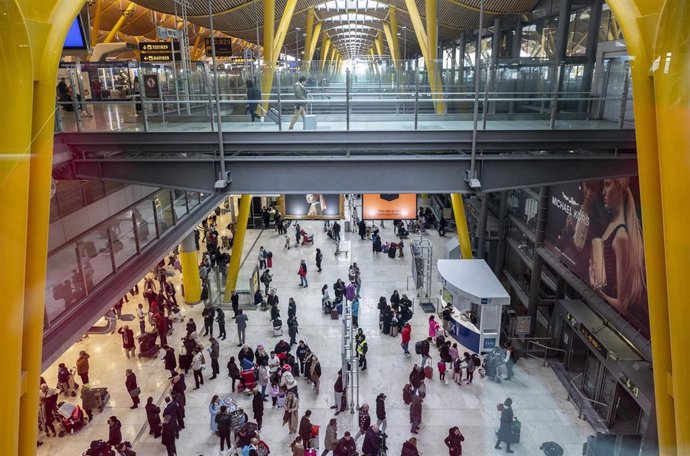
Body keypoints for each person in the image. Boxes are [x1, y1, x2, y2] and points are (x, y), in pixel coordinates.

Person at [589, 178, 647, 325]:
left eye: (607, 185)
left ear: (620, 189)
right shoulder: (611, 226)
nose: (603, 192)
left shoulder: (621, 237)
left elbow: (622, 306)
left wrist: (597, 292)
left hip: (611, 322)